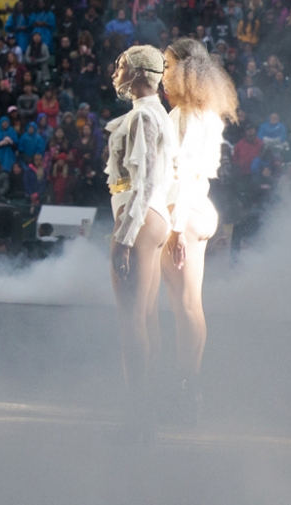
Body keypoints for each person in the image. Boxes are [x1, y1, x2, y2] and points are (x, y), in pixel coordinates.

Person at [159, 38, 237, 424]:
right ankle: (189, 385)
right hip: (197, 209)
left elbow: (185, 171)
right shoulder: (207, 113)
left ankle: (187, 390)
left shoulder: (189, 115)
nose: (165, 73)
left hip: (183, 211)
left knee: (185, 307)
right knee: (189, 306)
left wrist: (173, 227)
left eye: (169, 65)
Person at [104, 44, 177, 443]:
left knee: (131, 318)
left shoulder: (144, 116)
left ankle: (139, 415)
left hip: (139, 217)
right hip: (150, 216)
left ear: (137, 74)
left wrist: (125, 236)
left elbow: (145, 180)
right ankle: (146, 409)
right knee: (144, 317)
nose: (115, 73)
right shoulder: (154, 115)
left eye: (120, 67)